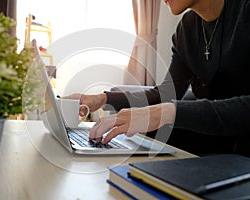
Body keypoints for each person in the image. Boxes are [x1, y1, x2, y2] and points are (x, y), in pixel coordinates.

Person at [69, 0, 250, 156]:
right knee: (141, 136)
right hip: (215, 136)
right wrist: (103, 98)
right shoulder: (186, 28)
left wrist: (167, 112)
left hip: (241, 140)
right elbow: (166, 93)